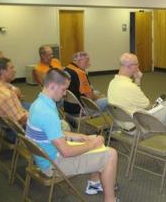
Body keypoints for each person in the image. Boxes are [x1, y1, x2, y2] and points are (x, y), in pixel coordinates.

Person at [26, 68, 118, 201]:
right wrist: (91, 144)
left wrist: (81, 137)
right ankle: (110, 199)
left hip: (46, 157)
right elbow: (66, 152)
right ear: (53, 86)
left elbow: (53, 132)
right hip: (53, 164)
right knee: (111, 154)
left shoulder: (38, 104)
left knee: (92, 141)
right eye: (63, 90)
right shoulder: (47, 113)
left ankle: (94, 183)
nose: (64, 94)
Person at [107, 52, 166, 133]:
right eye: (137, 64)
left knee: (163, 115)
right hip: (136, 128)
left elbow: (136, 98)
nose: (138, 67)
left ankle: (162, 135)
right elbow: (147, 106)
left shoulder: (112, 82)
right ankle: (163, 136)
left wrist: (137, 79)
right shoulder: (129, 87)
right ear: (129, 66)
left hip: (120, 124)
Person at [0, 57, 28, 142]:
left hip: (4, 127)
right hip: (16, 133)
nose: (14, 70)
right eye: (11, 68)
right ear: (2, 71)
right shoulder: (7, 95)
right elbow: (22, 120)